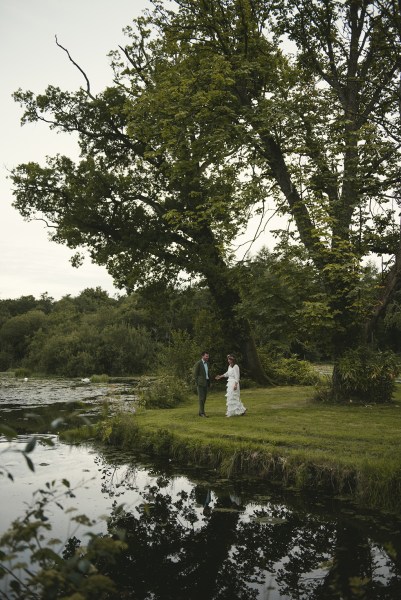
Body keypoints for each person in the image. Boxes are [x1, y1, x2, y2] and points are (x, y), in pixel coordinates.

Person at [193, 351, 210, 417]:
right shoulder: (198, 363)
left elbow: (207, 373)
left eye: (208, 356)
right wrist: (197, 383)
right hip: (200, 384)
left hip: (206, 382)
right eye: (206, 356)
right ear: (202, 356)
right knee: (201, 398)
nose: (207, 357)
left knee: (204, 398)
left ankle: (201, 412)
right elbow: (195, 374)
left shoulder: (207, 363)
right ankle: (202, 413)